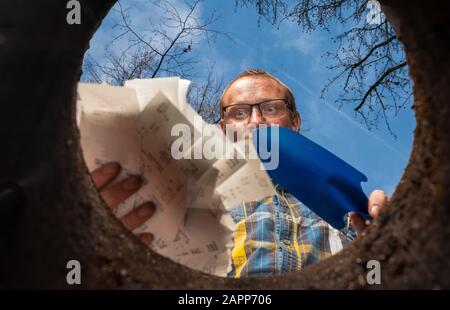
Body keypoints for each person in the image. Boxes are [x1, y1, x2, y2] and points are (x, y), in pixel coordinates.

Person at [90, 69, 388, 277]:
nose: (256, 121)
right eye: (240, 113)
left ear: (294, 122)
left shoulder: (345, 209)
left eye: (271, 108)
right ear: (224, 130)